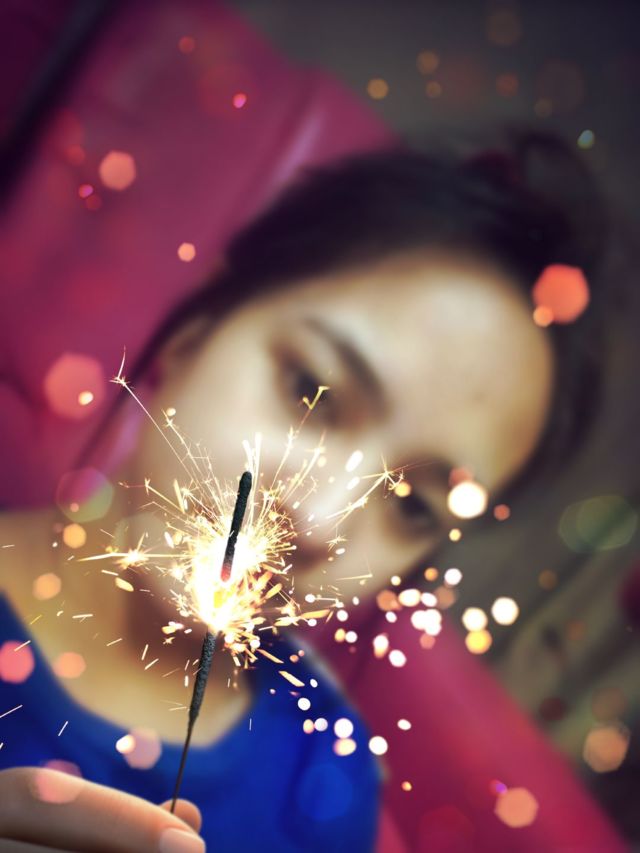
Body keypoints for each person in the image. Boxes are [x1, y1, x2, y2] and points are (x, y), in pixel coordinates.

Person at [0, 133, 609, 851]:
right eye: (309, 390)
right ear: (196, 332)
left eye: (413, 505)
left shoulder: (327, 791)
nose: (318, 519)